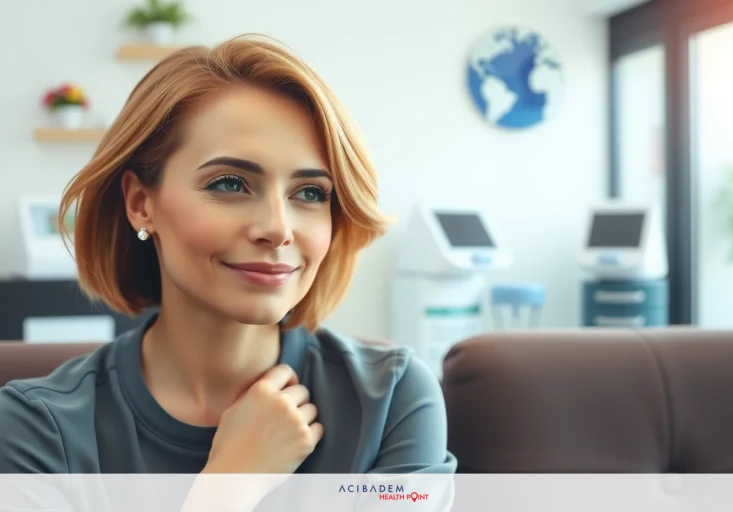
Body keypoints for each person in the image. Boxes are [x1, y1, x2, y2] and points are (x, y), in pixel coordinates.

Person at [0, 35, 457, 478]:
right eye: (230, 184)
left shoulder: (391, 401)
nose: (279, 228)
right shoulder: (35, 429)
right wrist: (230, 483)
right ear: (142, 203)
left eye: (311, 192)